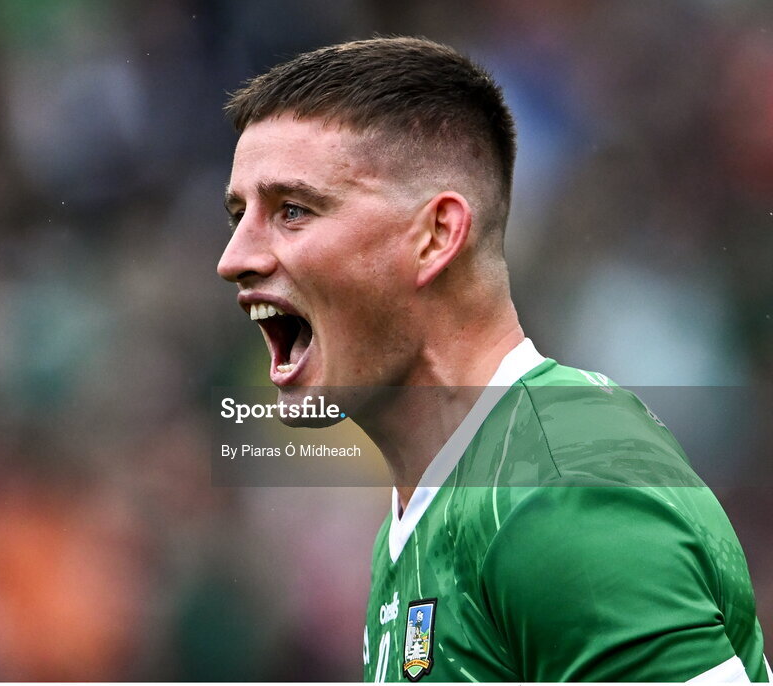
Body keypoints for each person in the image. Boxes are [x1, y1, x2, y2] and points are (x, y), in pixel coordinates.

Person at [216, 37, 769, 682]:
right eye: (238, 214)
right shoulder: (431, 512)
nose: (234, 258)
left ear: (436, 236)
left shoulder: (562, 492)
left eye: (292, 210)